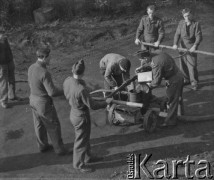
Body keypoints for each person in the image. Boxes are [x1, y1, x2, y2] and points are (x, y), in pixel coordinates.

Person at [63, 59, 111, 173]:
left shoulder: (67, 80)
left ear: (72, 70)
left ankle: (88, 157)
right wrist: (106, 102)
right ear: (83, 73)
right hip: (81, 116)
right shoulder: (81, 89)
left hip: (74, 113)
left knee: (84, 138)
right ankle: (78, 164)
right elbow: (93, 106)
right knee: (80, 141)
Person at [28, 47, 68, 155]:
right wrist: (66, 90)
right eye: (50, 57)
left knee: (39, 124)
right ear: (45, 57)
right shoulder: (44, 72)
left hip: (32, 99)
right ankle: (59, 149)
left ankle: (42, 146)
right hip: (43, 102)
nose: (51, 59)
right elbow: (52, 92)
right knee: (53, 125)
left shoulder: (31, 67)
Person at [136, 50, 184, 127]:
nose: (141, 61)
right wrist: (142, 67)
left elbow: (156, 82)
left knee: (172, 100)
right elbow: (151, 65)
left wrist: (148, 86)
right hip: (175, 75)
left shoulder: (157, 63)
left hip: (174, 79)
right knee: (177, 98)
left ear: (145, 58)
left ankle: (170, 121)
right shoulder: (155, 53)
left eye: (141, 60)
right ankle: (180, 115)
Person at [173, 8, 202, 91]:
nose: (187, 17)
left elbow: (199, 36)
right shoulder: (181, 23)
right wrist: (175, 44)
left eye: (188, 15)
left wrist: (195, 46)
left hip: (191, 48)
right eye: (185, 16)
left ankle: (194, 83)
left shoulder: (196, 24)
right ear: (183, 16)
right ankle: (186, 80)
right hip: (182, 48)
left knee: (192, 66)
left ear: (191, 15)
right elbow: (177, 34)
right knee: (183, 66)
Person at [0, 28, 21, 108]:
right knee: (3, 82)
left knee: (12, 79)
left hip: (9, 61)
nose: (4, 34)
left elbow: (8, 49)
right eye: (2, 33)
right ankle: (3, 100)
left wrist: (11, 59)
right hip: (2, 64)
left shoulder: (4, 39)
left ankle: (12, 96)